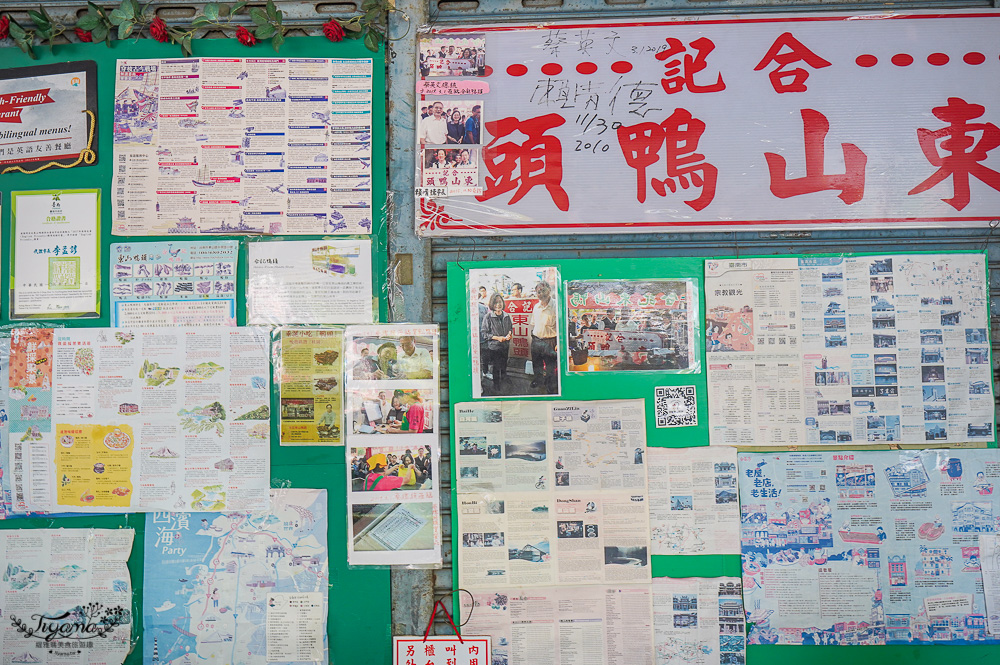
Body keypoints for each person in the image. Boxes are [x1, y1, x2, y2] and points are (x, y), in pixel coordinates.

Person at [530, 281, 558, 392]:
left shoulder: (556, 306)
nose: (541, 294)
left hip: (550, 342)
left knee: (551, 367)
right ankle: (538, 381)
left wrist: (558, 343)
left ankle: (550, 386)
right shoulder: (536, 307)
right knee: (537, 365)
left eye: (543, 290)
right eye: (538, 292)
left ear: (549, 290)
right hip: (536, 340)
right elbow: (534, 323)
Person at [481, 293, 513, 390]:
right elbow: (484, 333)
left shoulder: (507, 315)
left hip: (505, 345)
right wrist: (497, 338)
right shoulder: (488, 317)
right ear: (492, 304)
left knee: (504, 363)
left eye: (500, 302)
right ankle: (496, 383)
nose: (498, 305)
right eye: (495, 303)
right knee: (496, 366)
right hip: (494, 347)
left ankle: (504, 378)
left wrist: (509, 335)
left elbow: (510, 328)